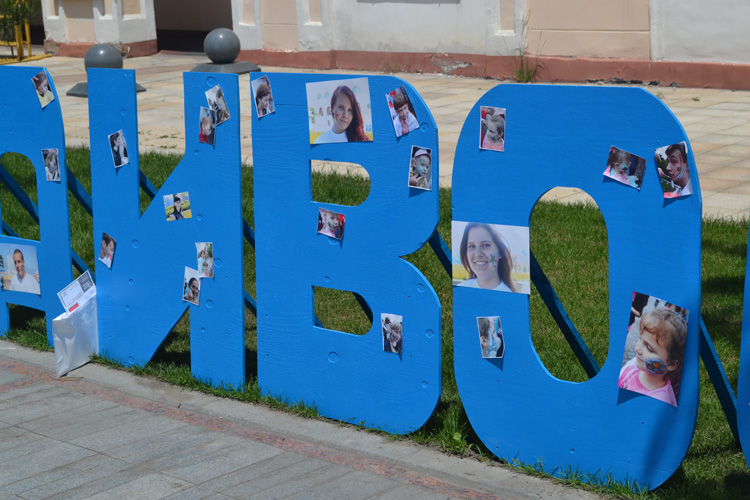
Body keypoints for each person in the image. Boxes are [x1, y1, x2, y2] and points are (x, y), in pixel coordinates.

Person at [618, 308, 687, 406]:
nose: (637, 349)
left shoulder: (662, 402)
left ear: (671, 364)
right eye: (640, 339)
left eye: (649, 348)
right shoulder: (634, 364)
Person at [458, 223, 518, 292]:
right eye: (472, 246)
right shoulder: (459, 290)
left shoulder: (510, 295)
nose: (478, 254)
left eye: (486, 245)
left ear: (500, 252)